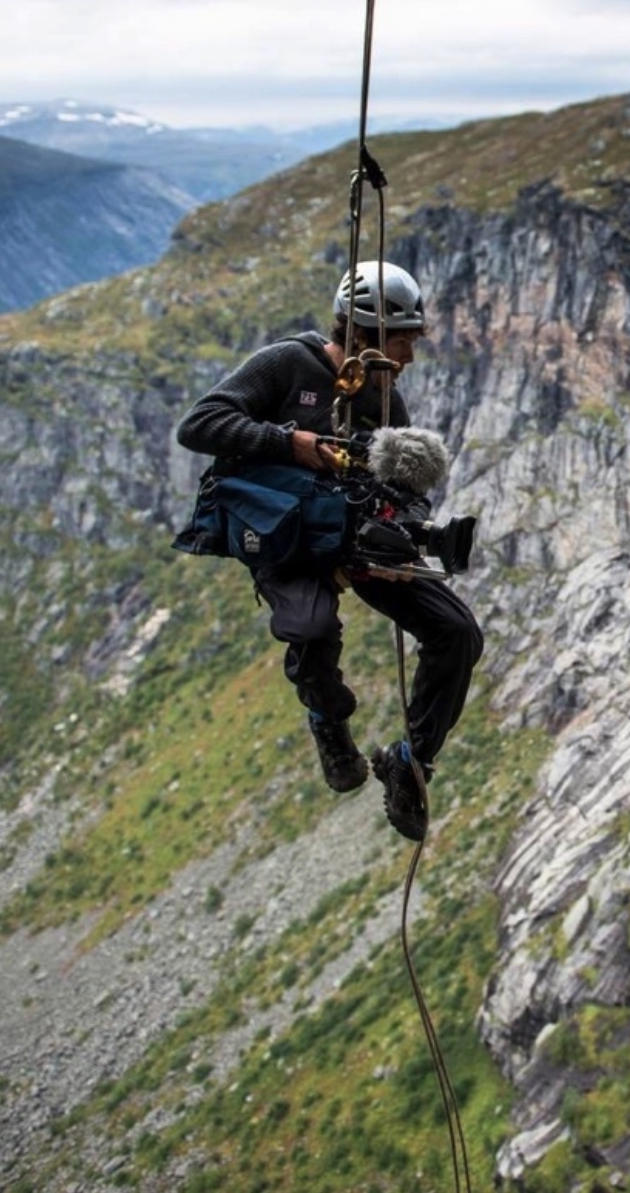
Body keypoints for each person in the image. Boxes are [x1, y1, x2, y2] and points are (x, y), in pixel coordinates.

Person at [175, 262, 483, 841]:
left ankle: (410, 762)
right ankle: (330, 720)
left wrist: (400, 543)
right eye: (402, 341)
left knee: (457, 634)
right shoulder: (286, 365)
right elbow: (199, 425)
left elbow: (406, 492)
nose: (410, 358)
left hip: (351, 537)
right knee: (311, 630)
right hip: (284, 533)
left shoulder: (386, 401)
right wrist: (288, 442)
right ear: (364, 335)